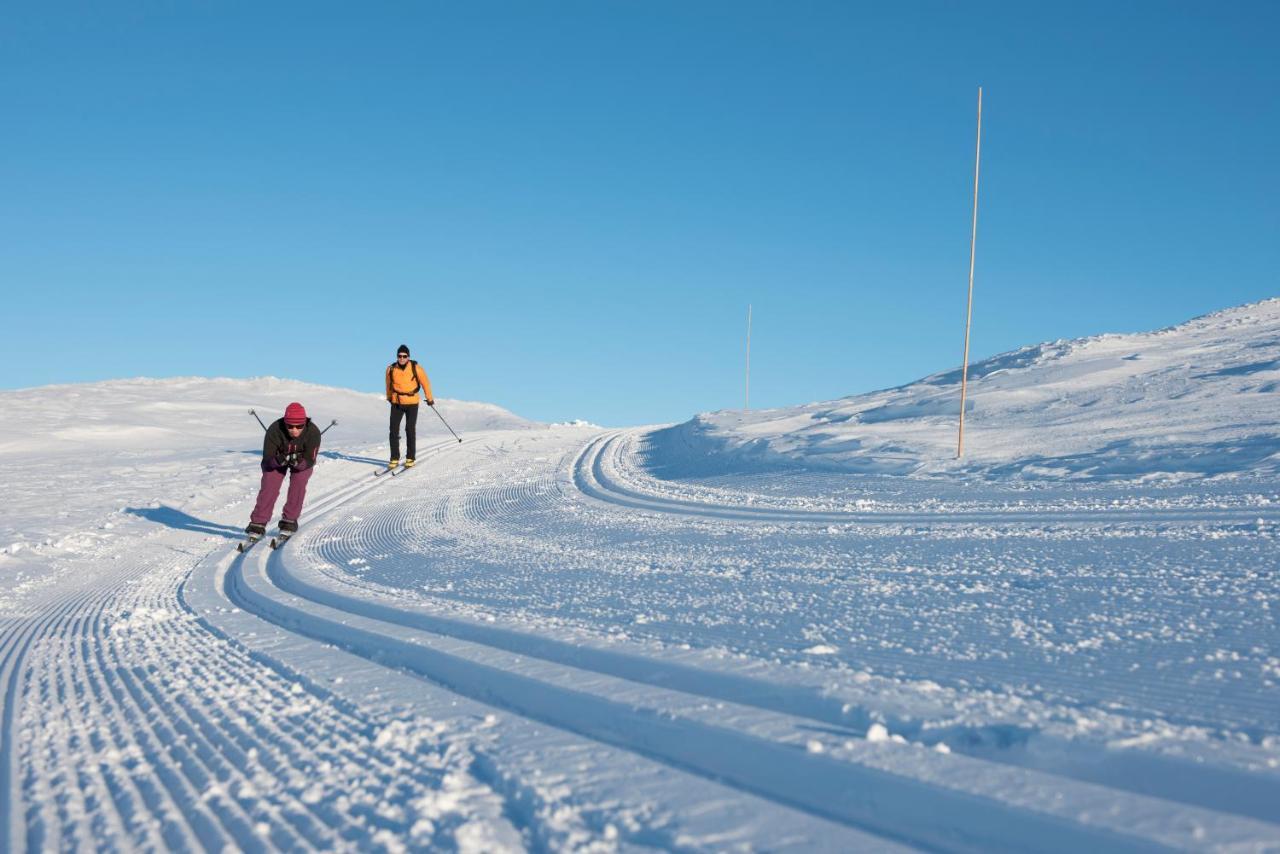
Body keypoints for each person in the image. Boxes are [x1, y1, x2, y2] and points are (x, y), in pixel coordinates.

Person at [245, 402, 322, 538]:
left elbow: (310, 459)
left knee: (299, 482)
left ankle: (289, 521)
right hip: (277, 461)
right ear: (285, 423)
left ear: (305, 423)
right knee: (270, 485)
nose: (294, 430)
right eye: (290, 426)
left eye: (299, 426)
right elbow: (268, 459)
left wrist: (299, 463)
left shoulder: (313, 432)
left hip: (302, 462)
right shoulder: (274, 430)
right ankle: (258, 522)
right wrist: (278, 460)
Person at [385, 343, 434, 469]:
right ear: (397, 356)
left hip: (412, 402)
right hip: (397, 402)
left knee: (410, 429)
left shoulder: (416, 368)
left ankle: (410, 457)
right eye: (399, 356)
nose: (402, 358)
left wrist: (429, 399)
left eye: (404, 356)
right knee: (393, 430)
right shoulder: (391, 369)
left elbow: (425, 383)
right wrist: (390, 397)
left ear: (408, 357)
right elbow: (388, 385)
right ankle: (394, 458)